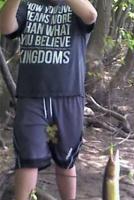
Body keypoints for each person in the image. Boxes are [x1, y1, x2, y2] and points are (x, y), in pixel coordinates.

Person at [0, 0, 97, 199]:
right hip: (31, 97)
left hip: (68, 97)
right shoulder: (28, 6)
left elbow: (90, 15)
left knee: (66, 159)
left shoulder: (75, 6)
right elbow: (4, 27)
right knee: (27, 159)